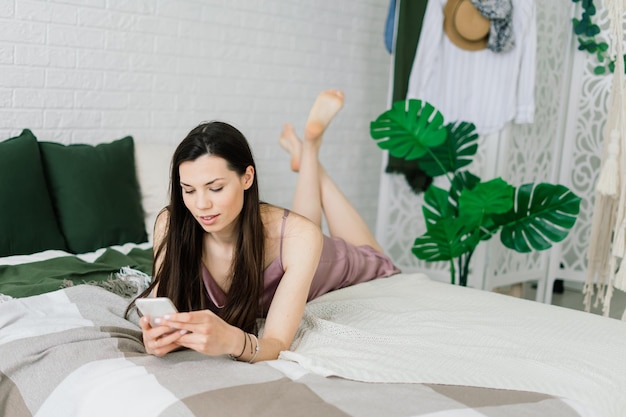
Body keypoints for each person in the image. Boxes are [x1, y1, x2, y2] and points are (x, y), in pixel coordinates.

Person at [132, 90, 400, 363]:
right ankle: (307, 153)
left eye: (215, 188)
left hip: (327, 260)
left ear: (247, 178)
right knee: (302, 226)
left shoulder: (300, 238)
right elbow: (163, 308)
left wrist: (232, 340)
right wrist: (157, 339)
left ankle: (310, 149)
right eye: (188, 190)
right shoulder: (170, 223)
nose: (201, 205)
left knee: (368, 253)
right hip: (293, 244)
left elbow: (276, 343)